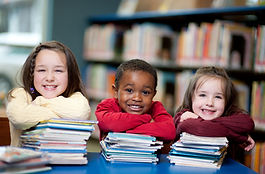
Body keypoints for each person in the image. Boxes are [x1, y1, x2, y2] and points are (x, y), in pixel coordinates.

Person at [6, 41, 91, 147]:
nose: (50, 78)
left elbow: (80, 112)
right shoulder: (20, 94)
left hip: (64, 161)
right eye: (41, 70)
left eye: (58, 71)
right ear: (32, 74)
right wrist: (61, 118)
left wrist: (40, 102)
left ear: (70, 75)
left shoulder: (76, 97)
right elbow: (19, 118)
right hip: (25, 162)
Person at [174, 66, 255, 153]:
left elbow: (248, 123)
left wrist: (200, 121)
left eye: (218, 97)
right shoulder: (183, 116)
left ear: (227, 101)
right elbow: (202, 129)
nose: (210, 103)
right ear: (191, 98)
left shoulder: (229, 112)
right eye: (202, 95)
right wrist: (238, 137)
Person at [95, 59, 176, 143]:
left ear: (153, 94)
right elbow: (107, 123)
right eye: (129, 90)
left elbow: (169, 131)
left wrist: (121, 131)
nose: (137, 98)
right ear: (115, 91)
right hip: (114, 156)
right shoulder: (107, 105)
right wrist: (146, 119)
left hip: (147, 156)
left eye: (145, 92)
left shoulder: (156, 107)